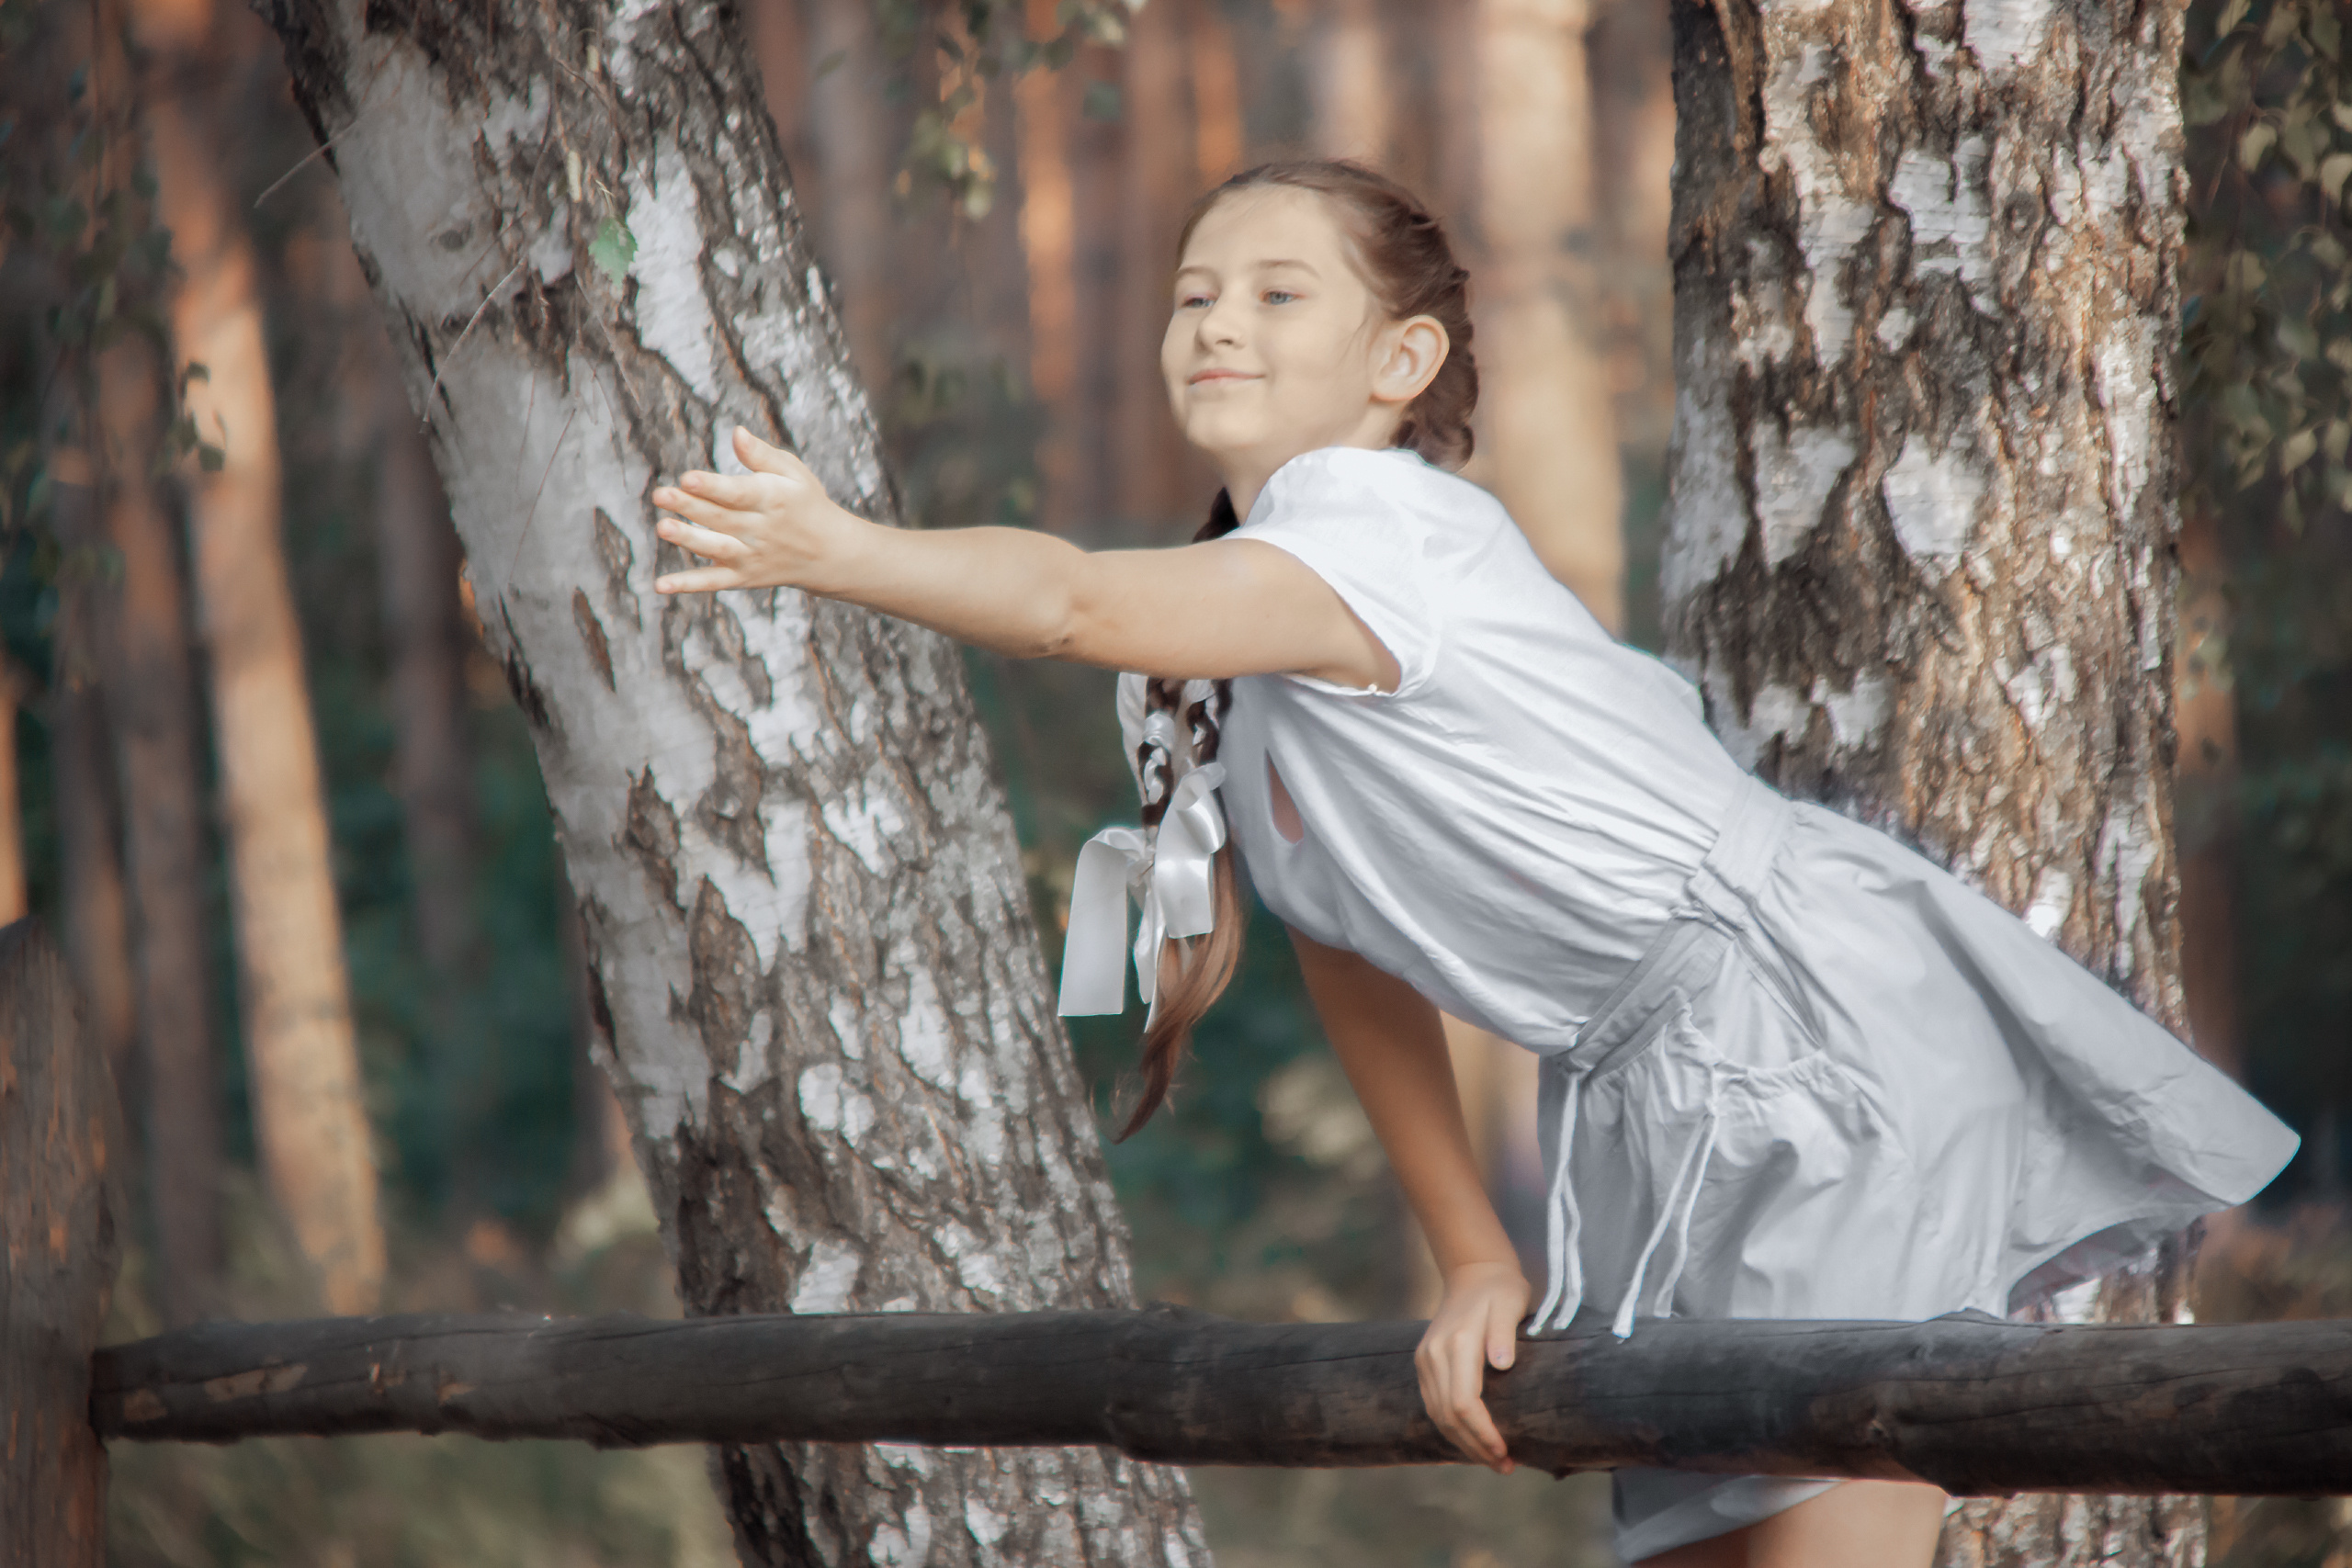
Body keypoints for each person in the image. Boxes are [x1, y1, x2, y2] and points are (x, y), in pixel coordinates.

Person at [648, 159, 2298, 1567]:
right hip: (1641, 1098)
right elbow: (1347, 946)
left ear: (1401, 357)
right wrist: (1476, 1252)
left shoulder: (1385, 532)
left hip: (1808, 1032)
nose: (1216, 319)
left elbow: (1071, 599)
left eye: (1280, 294)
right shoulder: (1240, 652)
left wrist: (836, 550)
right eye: (1193, 292)